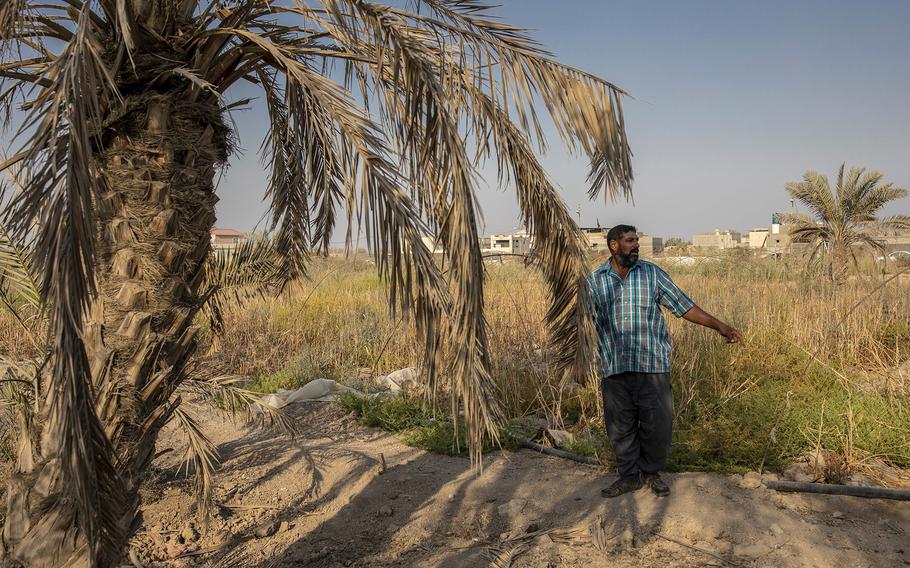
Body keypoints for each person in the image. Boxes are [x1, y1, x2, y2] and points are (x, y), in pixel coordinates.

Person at [589, 224, 742, 497]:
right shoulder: (595, 280)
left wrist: (720, 326)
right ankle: (629, 477)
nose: (636, 245)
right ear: (614, 245)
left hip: (652, 365)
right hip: (615, 365)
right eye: (630, 241)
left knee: (657, 423)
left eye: (637, 240)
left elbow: (684, 306)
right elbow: (582, 323)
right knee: (620, 426)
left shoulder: (651, 274)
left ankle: (651, 473)